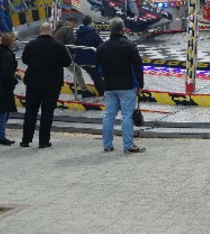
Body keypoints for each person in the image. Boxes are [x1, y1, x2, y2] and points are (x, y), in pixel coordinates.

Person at [95, 17, 146, 154]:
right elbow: (137, 67)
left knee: (109, 116)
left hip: (109, 86)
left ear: (110, 29)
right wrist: (140, 85)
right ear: (123, 29)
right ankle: (128, 145)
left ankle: (107, 145)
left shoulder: (102, 47)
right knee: (127, 116)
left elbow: (98, 68)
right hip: (126, 85)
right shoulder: (130, 46)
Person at [20, 22, 72, 149]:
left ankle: (26, 140)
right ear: (51, 31)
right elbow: (67, 62)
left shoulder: (31, 45)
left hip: (33, 82)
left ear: (40, 31)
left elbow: (24, 59)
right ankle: (43, 141)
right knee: (47, 112)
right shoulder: (58, 46)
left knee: (30, 111)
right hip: (52, 83)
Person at [74, 15, 105, 95]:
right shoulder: (92, 33)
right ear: (91, 23)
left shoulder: (79, 32)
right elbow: (101, 44)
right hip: (91, 60)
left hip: (80, 59)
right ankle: (103, 92)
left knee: (94, 74)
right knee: (97, 76)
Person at [54, 16, 85, 92]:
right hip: (64, 54)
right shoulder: (67, 28)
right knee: (77, 71)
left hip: (56, 54)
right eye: (75, 24)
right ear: (73, 22)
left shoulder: (59, 28)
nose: (74, 27)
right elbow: (71, 43)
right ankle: (84, 89)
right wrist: (75, 53)